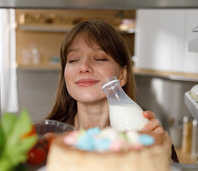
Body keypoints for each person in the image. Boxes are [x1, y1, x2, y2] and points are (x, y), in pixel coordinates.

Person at [46, 20, 178, 162]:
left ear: (122, 75)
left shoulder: (144, 134)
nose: (84, 67)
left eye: (99, 58)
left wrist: (162, 156)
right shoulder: (48, 137)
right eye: (73, 60)